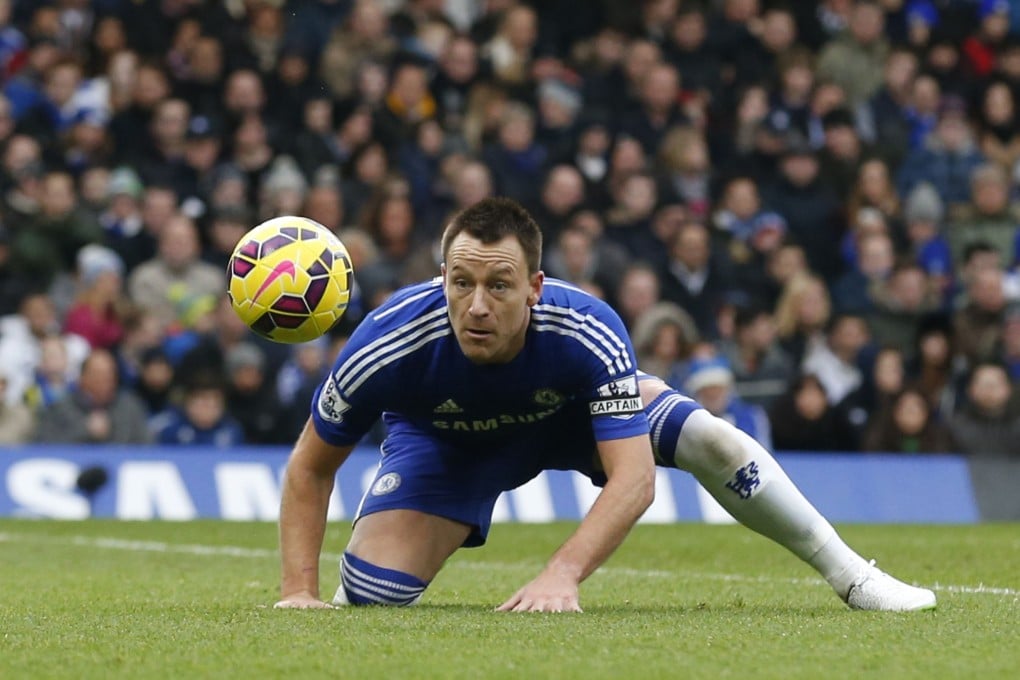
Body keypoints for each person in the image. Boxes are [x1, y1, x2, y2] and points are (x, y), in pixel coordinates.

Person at [276, 197, 935, 613]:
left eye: (498, 285)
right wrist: (298, 594)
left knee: (714, 440)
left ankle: (854, 578)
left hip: (566, 419)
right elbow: (310, 466)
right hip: (447, 443)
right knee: (373, 596)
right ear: (441, 277)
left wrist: (563, 574)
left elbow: (635, 479)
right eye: (461, 282)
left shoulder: (587, 327)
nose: (476, 305)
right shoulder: (384, 342)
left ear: (534, 287)